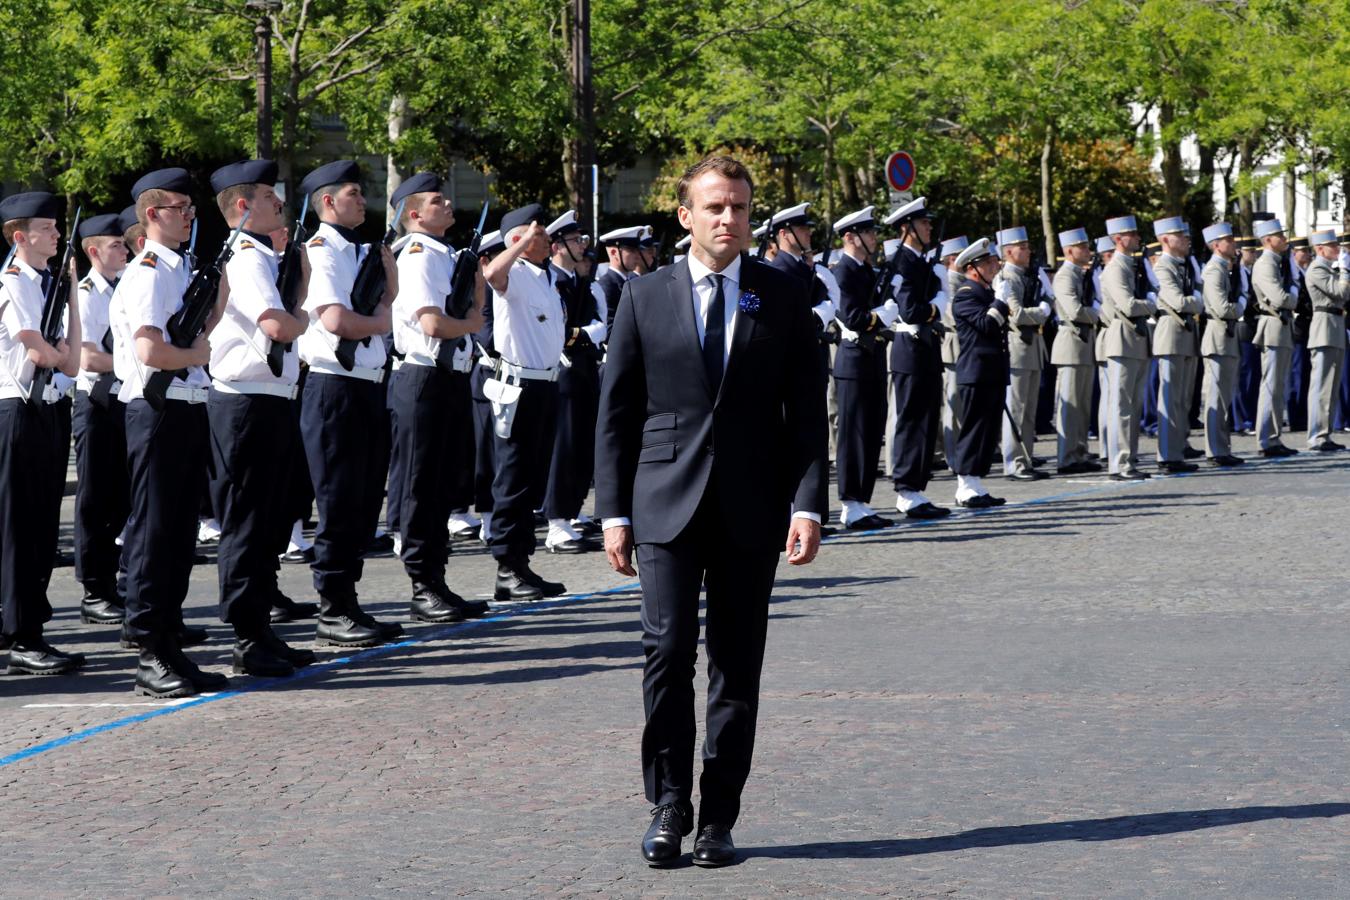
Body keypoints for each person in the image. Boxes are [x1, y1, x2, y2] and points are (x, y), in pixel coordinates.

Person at [596, 155, 826, 869]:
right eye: (717, 207)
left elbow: (807, 416)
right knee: (666, 653)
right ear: (686, 215)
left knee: (736, 663)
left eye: (741, 210)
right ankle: (669, 804)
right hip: (663, 501)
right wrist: (612, 513)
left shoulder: (783, 296)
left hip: (752, 505)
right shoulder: (644, 295)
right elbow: (618, 411)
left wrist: (810, 504)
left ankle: (718, 816)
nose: (730, 220)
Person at [109, 168, 225, 696]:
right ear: (153, 215)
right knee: (155, 533)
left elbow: (205, 327)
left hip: (187, 406)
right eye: (181, 208)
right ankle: (149, 650)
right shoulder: (151, 270)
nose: (190, 216)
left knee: (179, 534)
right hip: (157, 412)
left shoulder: (180, 268)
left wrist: (216, 295)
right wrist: (198, 354)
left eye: (190, 208)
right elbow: (151, 351)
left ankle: (170, 645)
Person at [203, 159, 319, 679]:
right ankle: (247, 636)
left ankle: (262, 629)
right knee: (248, 522)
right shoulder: (246, 257)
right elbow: (278, 325)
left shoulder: (263, 258)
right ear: (244, 206)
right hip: (246, 403)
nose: (281, 206)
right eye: (272, 198)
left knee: (269, 519)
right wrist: (305, 315)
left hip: (269, 398)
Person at [295, 159, 404, 647]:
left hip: (364, 383)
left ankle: (348, 601)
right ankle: (332, 606)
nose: (363, 200)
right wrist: (382, 316)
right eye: (354, 193)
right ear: (327, 202)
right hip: (334, 386)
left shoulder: (358, 250)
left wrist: (386, 299)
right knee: (339, 500)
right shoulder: (322, 251)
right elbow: (338, 320)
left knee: (362, 500)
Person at [387, 171, 491, 621]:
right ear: (413, 214)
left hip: (448, 377)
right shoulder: (416, 254)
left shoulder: (444, 253)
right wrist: (470, 323)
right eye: (436, 200)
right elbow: (433, 323)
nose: (447, 204)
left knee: (441, 483)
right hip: (424, 377)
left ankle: (436, 579)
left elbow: (474, 308)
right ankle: (421, 584)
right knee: (420, 483)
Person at [0, 191, 86, 675]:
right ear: (20, 237)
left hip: (49, 410)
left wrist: (71, 289)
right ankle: (21, 634)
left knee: (43, 531)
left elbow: (70, 360)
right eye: (48, 229)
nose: (57, 235)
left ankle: (27, 625)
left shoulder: (47, 283)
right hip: (17, 411)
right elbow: (38, 354)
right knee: (20, 529)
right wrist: (56, 349)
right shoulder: (13, 282)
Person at [482, 204, 568, 602]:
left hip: (546, 386)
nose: (548, 240)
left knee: (532, 478)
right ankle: (506, 567)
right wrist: (517, 245)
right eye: (539, 234)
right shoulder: (513, 273)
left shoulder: (544, 278)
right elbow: (491, 274)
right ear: (518, 240)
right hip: (518, 388)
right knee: (513, 479)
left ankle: (521, 563)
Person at [71, 213, 131, 626]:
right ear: (94, 251)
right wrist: (138, 360)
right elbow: (89, 356)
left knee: (123, 497)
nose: (124, 250)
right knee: (95, 498)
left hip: (122, 397)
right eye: (116, 245)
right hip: (95, 403)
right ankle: (95, 589)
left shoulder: (126, 287)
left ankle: (117, 582)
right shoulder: (88, 292)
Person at [542, 209, 607, 553]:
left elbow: (600, 324)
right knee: (564, 447)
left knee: (582, 445)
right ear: (556, 245)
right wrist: (584, 334)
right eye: (574, 240)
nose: (582, 245)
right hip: (563, 371)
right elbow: (559, 331)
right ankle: (556, 524)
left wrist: (581, 334)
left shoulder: (579, 281)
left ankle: (571, 512)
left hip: (583, 369)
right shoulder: (550, 280)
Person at [882, 197, 949, 519]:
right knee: (911, 420)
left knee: (926, 419)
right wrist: (937, 302)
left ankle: (917, 489)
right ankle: (906, 489)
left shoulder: (921, 263)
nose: (929, 227)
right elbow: (911, 310)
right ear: (907, 228)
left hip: (926, 348)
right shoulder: (901, 263)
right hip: (909, 350)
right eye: (924, 223)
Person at [830, 205, 894, 529]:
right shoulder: (843, 270)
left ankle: (862, 502)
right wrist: (882, 315)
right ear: (851, 237)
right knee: (853, 433)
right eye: (869, 233)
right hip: (853, 361)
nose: (874, 237)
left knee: (871, 430)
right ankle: (849, 502)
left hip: (872, 358)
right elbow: (853, 316)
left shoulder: (866, 270)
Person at [949, 238, 1010, 508]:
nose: (995, 267)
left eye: (994, 261)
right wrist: (1000, 300)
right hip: (975, 371)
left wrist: (996, 300)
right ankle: (965, 484)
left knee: (987, 430)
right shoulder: (965, 294)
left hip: (991, 371)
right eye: (989, 263)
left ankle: (976, 482)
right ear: (973, 268)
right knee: (974, 429)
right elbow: (986, 325)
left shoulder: (983, 293)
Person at [1098, 215, 1155, 480]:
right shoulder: (1115, 268)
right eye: (1131, 234)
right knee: (1121, 405)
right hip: (1122, 339)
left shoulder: (1131, 266)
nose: (1137, 238)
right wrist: (1152, 304)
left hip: (1136, 339)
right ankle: (1119, 463)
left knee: (1133, 405)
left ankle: (1129, 459)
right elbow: (1129, 305)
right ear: (1118, 239)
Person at [994, 226, 1050, 480]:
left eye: (1027, 246)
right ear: (1008, 251)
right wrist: (1042, 312)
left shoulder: (1028, 277)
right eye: (1022, 247)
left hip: (1032, 348)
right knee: (1016, 408)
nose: (1028, 251)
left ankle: (1025, 458)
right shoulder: (1006, 278)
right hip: (1017, 347)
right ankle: (1014, 462)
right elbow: (1015, 314)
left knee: (1029, 410)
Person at [1149, 216, 1202, 474]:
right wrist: (1198, 301)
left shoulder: (1183, 266)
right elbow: (1179, 302)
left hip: (1186, 336)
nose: (1186, 239)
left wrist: (1195, 300)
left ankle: (1178, 448)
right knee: (1170, 399)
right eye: (1180, 236)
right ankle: (1167, 454)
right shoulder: (1162, 267)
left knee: (1182, 399)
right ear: (1165, 240)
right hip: (1170, 335)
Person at [1050, 227, 1102, 474]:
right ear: (1069, 251)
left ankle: (1079, 452)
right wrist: (1099, 313)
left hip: (1083, 343)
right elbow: (1075, 311)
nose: (1087, 251)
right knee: (1070, 404)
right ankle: (1067, 457)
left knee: (1082, 405)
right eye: (1082, 247)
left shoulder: (1081, 275)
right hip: (1070, 344)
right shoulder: (1064, 276)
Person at [1250, 217, 1299, 457]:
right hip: (1272, 326)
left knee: (1278, 386)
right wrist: (1294, 295)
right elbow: (1280, 298)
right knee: (1270, 386)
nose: (1284, 239)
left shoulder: (1278, 262)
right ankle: (1265, 439)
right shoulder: (1265, 264)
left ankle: (1273, 436)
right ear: (1268, 240)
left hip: (1282, 327)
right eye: (1280, 235)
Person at [1198, 222, 1245, 467]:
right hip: (1217, 337)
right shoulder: (1213, 271)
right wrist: (1241, 304)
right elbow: (1221, 307)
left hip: (1227, 337)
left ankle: (1222, 448)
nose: (1234, 243)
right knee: (1216, 398)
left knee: (1224, 397)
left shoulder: (1225, 269)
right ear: (1216, 245)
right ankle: (1214, 450)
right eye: (1229, 240)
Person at [1303, 229, 1349, 451]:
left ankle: (1325, 434)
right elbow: (1340, 292)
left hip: (1335, 328)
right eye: (1332, 245)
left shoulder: (1329, 268)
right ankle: (1316, 436)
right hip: (1324, 329)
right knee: (1321, 386)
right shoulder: (1317, 269)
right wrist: (1346, 270)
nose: (1337, 249)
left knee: (1331, 387)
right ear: (1320, 249)